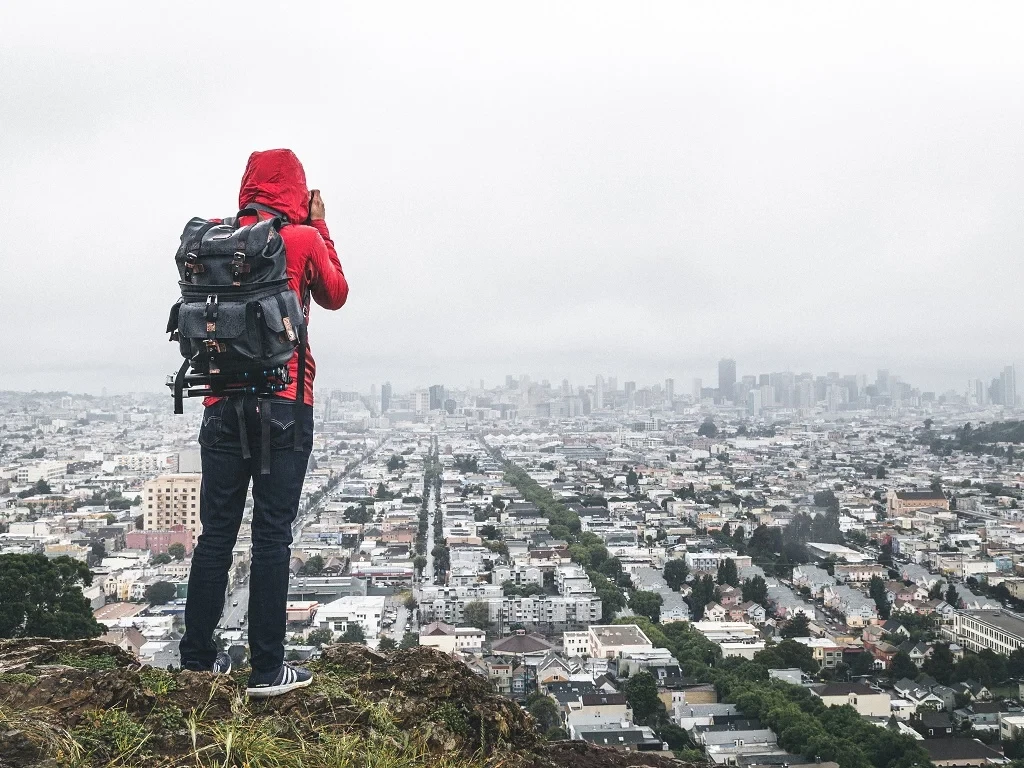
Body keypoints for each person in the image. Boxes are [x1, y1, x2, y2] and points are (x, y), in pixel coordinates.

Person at [179, 149, 348, 698]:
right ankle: (267, 671)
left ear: (247, 187)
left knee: (216, 537)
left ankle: (198, 661)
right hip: (283, 404)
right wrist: (320, 224)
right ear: (296, 191)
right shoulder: (298, 240)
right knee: (272, 537)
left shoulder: (218, 245)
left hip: (220, 406)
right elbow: (336, 294)